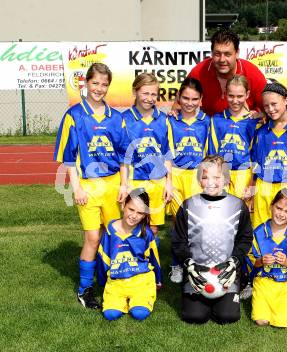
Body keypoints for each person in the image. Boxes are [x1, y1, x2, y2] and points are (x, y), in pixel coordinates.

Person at [54, 63, 128, 309]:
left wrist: (124, 185)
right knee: (93, 237)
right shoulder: (74, 115)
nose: (99, 88)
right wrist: (76, 188)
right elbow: (68, 157)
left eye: (104, 84)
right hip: (87, 185)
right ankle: (85, 289)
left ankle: (112, 283)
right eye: (95, 83)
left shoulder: (116, 117)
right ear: (85, 84)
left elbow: (124, 156)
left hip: (113, 184)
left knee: (115, 237)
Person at [171, 155, 253, 324]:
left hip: (226, 273)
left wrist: (234, 261)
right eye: (205, 177)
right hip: (197, 273)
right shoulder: (187, 206)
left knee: (228, 317)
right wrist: (188, 263)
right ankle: (196, 296)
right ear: (199, 180)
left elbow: (245, 239)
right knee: (194, 317)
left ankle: (227, 296)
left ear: (226, 179)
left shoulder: (238, 206)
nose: (211, 182)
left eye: (217, 177)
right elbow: (178, 241)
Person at [167, 77, 211, 283]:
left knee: (197, 224)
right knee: (178, 223)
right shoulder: (170, 120)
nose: (189, 103)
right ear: (178, 98)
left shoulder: (206, 121)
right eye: (185, 98)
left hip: (196, 176)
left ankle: (195, 263)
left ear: (201, 100)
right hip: (175, 174)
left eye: (194, 99)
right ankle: (176, 264)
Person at [97, 189, 161, 321]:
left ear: (144, 215)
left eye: (140, 213)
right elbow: (103, 258)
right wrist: (102, 281)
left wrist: (158, 280)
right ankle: (118, 300)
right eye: (131, 209)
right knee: (110, 314)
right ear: (123, 206)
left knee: (139, 313)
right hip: (117, 282)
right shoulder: (109, 232)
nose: (134, 215)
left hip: (140, 281)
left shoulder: (146, 233)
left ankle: (140, 299)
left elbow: (154, 258)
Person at [122, 73, 173, 240]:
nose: (149, 98)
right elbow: (122, 156)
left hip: (157, 181)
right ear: (135, 91)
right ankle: (132, 263)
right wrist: (125, 184)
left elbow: (167, 154)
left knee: (153, 228)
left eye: (153, 94)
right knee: (131, 225)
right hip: (134, 180)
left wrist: (168, 182)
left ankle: (151, 263)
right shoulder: (124, 119)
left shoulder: (163, 119)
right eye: (145, 93)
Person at [249, 189, 287, 328]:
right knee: (261, 321)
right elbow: (251, 260)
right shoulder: (258, 232)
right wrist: (261, 261)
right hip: (265, 282)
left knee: (285, 322)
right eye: (279, 208)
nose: (281, 214)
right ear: (271, 205)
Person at [250, 82, 287, 228]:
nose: (270, 109)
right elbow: (255, 164)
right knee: (260, 232)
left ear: (286, 100)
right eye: (266, 106)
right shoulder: (261, 131)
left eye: (274, 104)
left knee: (286, 234)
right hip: (263, 188)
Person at [186, 28, 266, 116]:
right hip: (211, 127)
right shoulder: (199, 72)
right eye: (217, 54)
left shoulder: (253, 74)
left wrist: (259, 115)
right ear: (212, 53)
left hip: (245, 128)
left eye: (227, 54)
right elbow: (179, 105)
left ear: (237, 53)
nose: (222, 59)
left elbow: (270, 109)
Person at [208, 74, 259, 200]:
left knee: (242, 216)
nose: (235, 100)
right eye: (231, 96)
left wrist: (252, 183)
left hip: (244, 175)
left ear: (247, 94)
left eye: (240, 96)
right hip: (220, 173)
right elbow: (212, 151)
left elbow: (257, 155)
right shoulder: (216, 119)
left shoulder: (254, 122)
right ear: (225, 94)